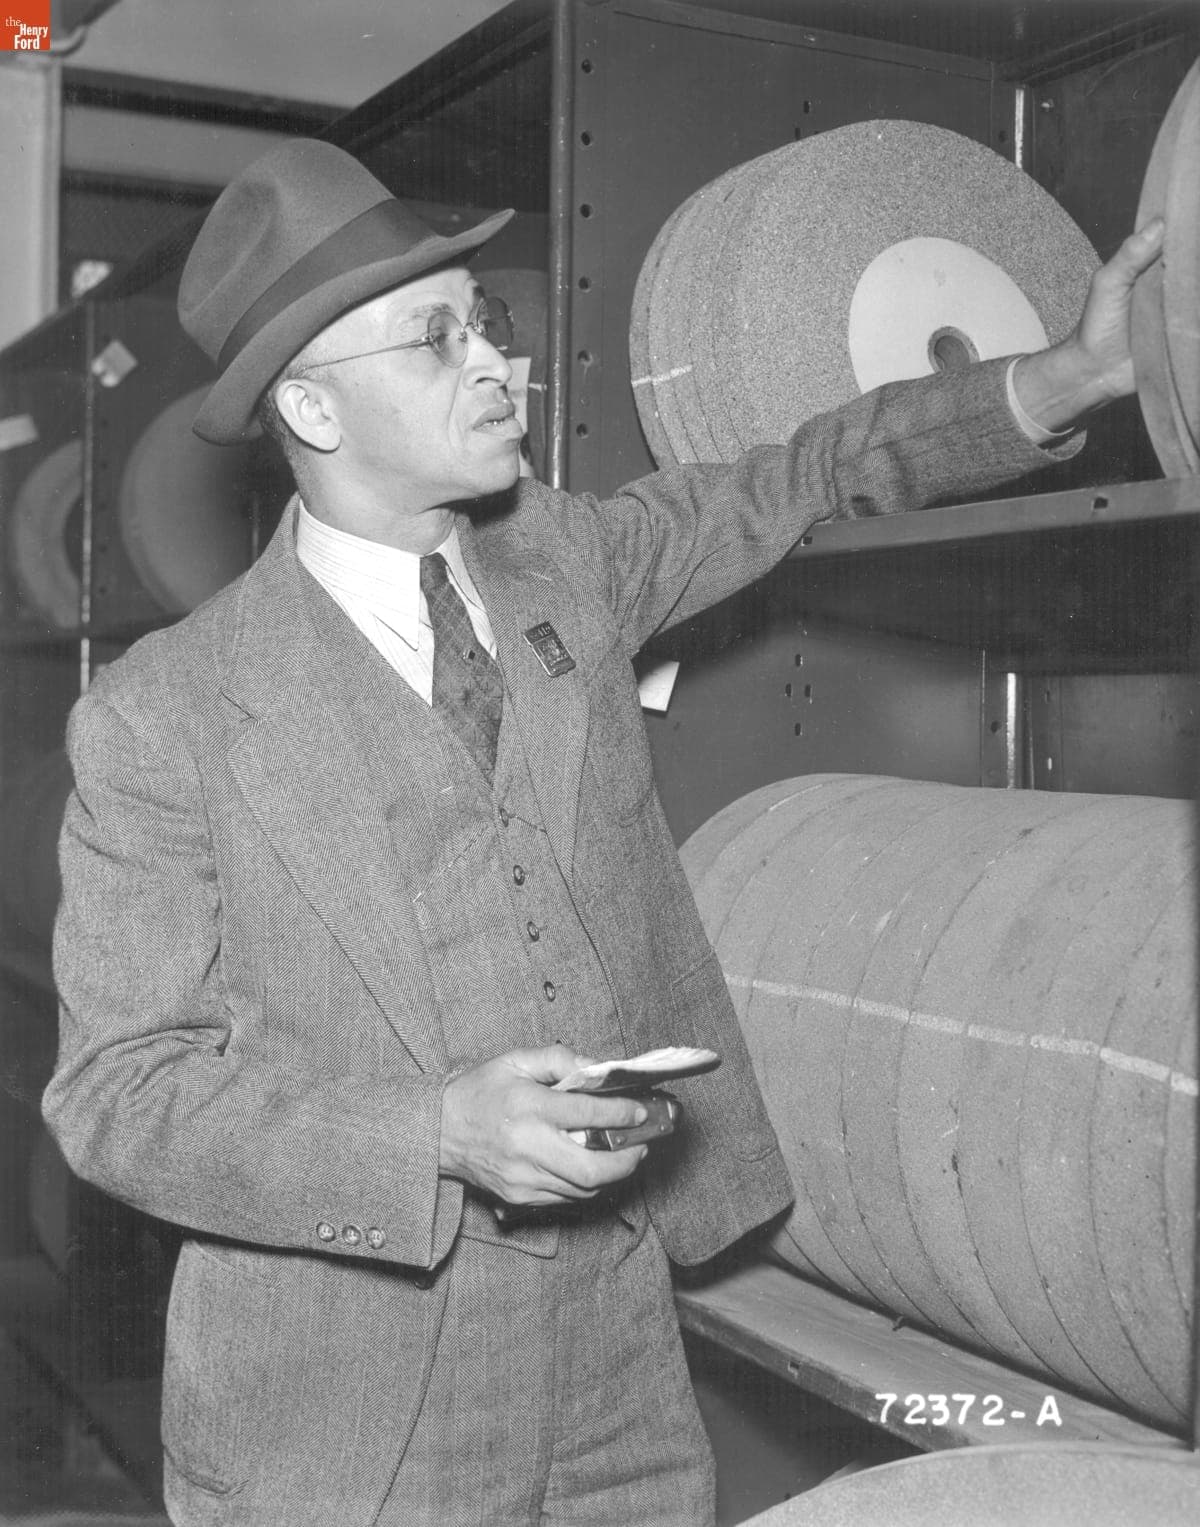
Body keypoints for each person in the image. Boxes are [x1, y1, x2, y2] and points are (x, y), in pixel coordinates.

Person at [42, 137, 1161, 1527]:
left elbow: (803, 473)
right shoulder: (166, 714)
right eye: (437, 339)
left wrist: (1062, 380)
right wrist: (433, 1135)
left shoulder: (567, 559)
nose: (497, 364)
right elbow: (121, 1096)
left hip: (620, 1352)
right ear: (313, 409)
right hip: (346, 1400)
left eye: (485, 322)